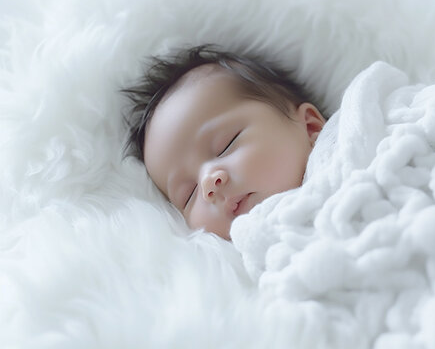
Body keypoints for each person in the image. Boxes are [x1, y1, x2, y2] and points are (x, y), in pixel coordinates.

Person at [123, 44, 326, 240]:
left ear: (310, 126)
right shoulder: (243, 263)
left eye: (226, 145)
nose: (208, 182)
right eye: (189, 194)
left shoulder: (349, 143)